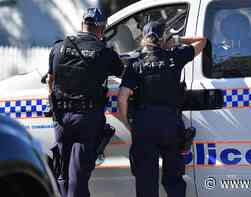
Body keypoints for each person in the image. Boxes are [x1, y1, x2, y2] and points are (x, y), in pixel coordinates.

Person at [117, 21, 207, 197]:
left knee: (146, 182)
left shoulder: (136, 63)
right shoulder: (175, 56)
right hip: (170, 124)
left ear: (144, 38)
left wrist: (128, 124)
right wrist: (177, 39)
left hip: (144, 125)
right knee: (174, 179)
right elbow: (202, 41)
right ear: (163, 37)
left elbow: (122, 98)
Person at [47, 8, 124, 197]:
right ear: (101, 28)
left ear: (82, 24)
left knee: (62, 172)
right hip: (86, 120)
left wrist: (56, 103)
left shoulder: (59, 47)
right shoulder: (104, 52)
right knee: (78, 176)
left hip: (61, 118)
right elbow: (123, 72)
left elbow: (50, 80)